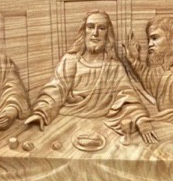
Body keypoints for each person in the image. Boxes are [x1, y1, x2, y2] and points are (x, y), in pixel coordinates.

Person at [26, 10, 155, 141]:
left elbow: (127, 97)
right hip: (67, 122)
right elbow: (55, 90)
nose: (95, 33)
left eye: (102, 28)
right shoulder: (70, 60)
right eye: (90, 27)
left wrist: (140, 118)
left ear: (108, 34)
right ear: (84, 31)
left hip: (101, 127)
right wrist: (41, 113)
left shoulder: (114, 67)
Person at [126, 14, 173, 94]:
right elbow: (152, 81)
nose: (150, 44)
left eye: (155, 38)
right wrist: (134, 61)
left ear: (171, 38)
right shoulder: (166, 65)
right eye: (148, 40)